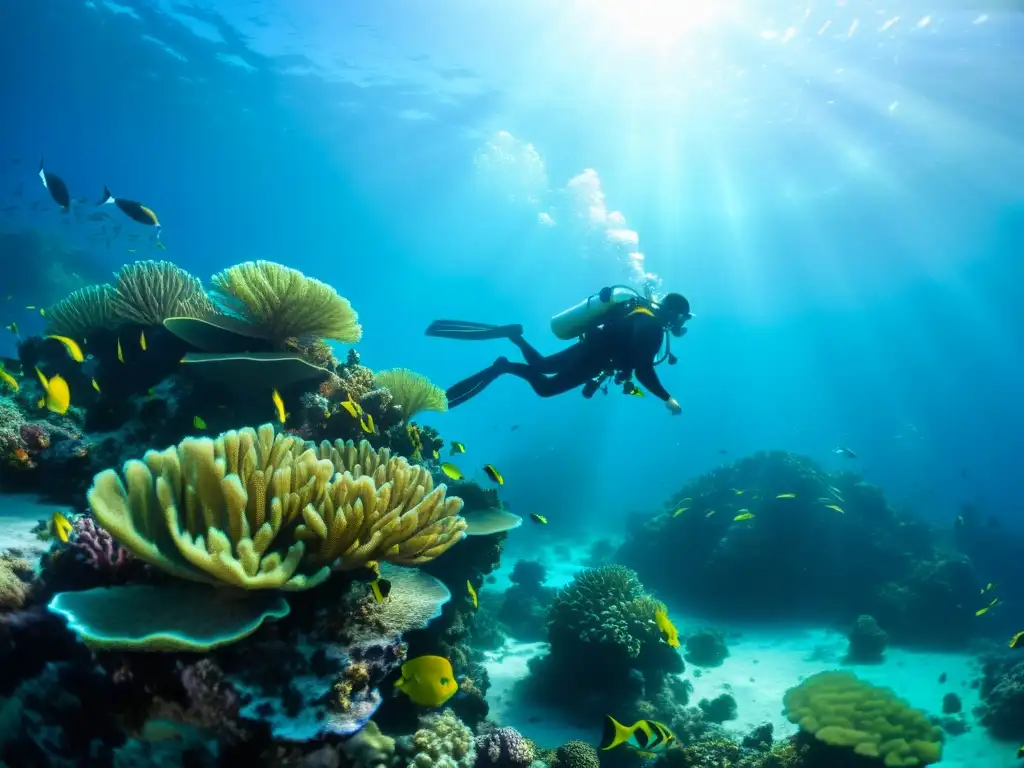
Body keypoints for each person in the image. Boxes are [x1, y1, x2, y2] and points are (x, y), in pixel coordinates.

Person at [426, 288, 692, 415]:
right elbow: (643, 368)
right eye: (682, 318)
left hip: (590, 346)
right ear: (673, 312)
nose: (681, 324)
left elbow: (630, 356)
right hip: (595, 357)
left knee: (542, 366)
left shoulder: (640, 314)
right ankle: (504, 366)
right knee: (545, 388)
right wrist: (667, 398)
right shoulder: (652, 327)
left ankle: (514, 338)